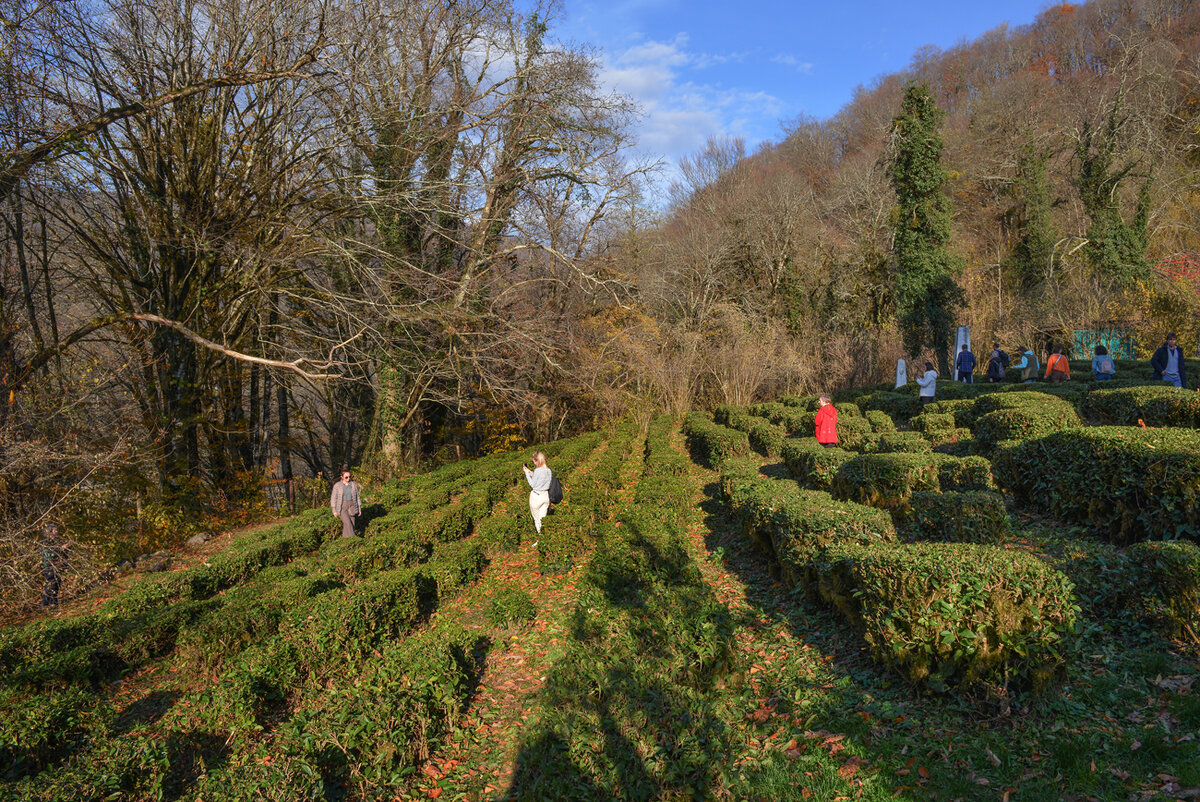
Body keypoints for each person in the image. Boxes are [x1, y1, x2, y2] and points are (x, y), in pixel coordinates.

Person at [522, 451, 552, 534]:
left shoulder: (538, 470)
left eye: (534, 461)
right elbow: (539, 477)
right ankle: (544, 536)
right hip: (545, 496)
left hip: (536, 497)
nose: (534, 463)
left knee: (537, 519)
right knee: (543, 519)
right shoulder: (548, 470)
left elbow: (532, 484)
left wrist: (526, 474)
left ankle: (540, 538)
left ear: (537, 461)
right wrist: (529, 471)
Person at [40, 523, 68, 608]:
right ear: (50, 532)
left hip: (57, 566)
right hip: (49, 567)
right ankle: (47, 604)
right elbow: (49, 556)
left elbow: (63, 555)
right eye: (55, 530)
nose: (57, 532)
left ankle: (54, 603)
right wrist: (60, 549)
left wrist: (66, 548)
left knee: (57, 585)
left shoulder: (58, 541)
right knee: (51, 585)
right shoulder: (46, 543)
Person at [330, 468, 362, 538]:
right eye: (346, 477)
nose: (348, 479)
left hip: (352, 506)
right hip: (342, 506)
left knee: (352, 524)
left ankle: (345, 541)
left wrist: (359, 508)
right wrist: (334, 510)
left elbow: (357, 497)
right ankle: (354, 539)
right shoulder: (337, 485)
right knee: (348, 523)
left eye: (349, 477)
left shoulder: (353, 485)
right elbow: (333, 498)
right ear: (342, 477)